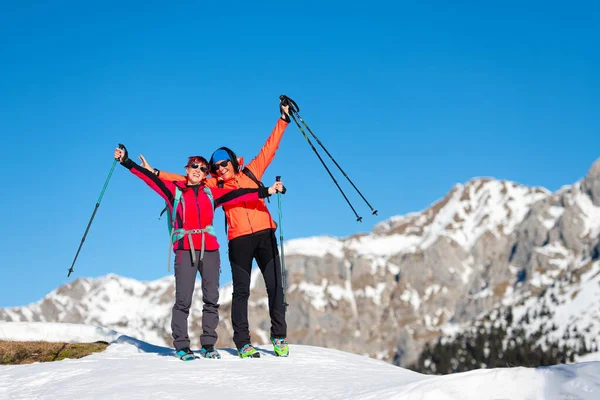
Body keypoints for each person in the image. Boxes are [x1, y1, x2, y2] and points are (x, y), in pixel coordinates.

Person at [139, 101, 291, 358]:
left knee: (276, 287)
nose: (220, 168)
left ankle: (279, 337)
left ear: (233, 161)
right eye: (215, 165)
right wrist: (155, 172)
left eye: (223, 163)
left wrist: (284, 119)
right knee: (241, 291)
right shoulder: (212, 185)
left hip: (265, 234)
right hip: (238, 239)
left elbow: (270, 147)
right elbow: (184, 181)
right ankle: (243, 343)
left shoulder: (252, 172)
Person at [114, 145, 284, 361]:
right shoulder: (174, 190)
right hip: (185, 248)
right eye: (194, 166)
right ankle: (182, 346)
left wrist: (266, 191)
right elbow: (150, 180)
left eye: (203, 169)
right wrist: (126, 161)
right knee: (183, 299)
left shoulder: (211, 193)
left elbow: (238, 194)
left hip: (210, 250)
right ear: (187, 169)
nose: (198, 170)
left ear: (206, 175)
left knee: (212, 299)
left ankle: (208, 345)